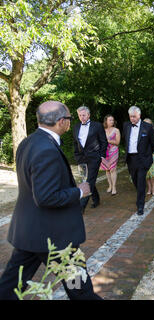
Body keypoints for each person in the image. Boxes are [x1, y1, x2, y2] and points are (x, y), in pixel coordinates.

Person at [0, 101, 102, 300]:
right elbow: (46, 197)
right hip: (56, 238)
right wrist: (79, 192)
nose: (69, 123)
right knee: (81, 290)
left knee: (9, 288)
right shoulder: (47, 149)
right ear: (61, 122)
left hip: (29, 233)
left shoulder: (27, 142)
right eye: (69, 119)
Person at [123, 106, 154, 215]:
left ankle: (140, 205)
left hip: (142, 159)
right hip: (131, 158)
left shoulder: (147, 127)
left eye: (134, 116)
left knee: (141, 180)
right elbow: (126, 140)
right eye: (130, 116)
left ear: (139, 115)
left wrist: (147, 154)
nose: (132, 118)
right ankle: (141, 194)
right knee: (135, 180)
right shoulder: (126, 125)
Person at [73, 106, 107, 214]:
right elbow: (75, 143)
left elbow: (103, 141)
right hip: (81, 158)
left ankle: (81, 207)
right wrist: (76, 155)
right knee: (85, 180)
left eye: (84, 115)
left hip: (94, 158)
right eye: (80, 115)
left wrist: (101, 156)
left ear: (88, 115)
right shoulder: (76, 127)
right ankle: (96, 199)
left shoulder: (97, 126)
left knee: (89, 181)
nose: (82, 117)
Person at [100, 114, 120, 196]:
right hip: (105, 152)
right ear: (106, 121)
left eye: (112, 120)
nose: (112, 121)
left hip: (113, 151)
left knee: (113, 169)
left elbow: (117, 142)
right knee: (107, 170)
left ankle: (114, 187)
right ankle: (110, 186)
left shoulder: (116, 130)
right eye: (110, 120)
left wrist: (108, 140)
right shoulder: (102, 130)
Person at [143, 118, 154, 196]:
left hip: (153, 155)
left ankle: (153, 187)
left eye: (148, 123)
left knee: (152, 173)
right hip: (144, 156)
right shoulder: (142, 133)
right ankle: (149, 188)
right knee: (146, 174)